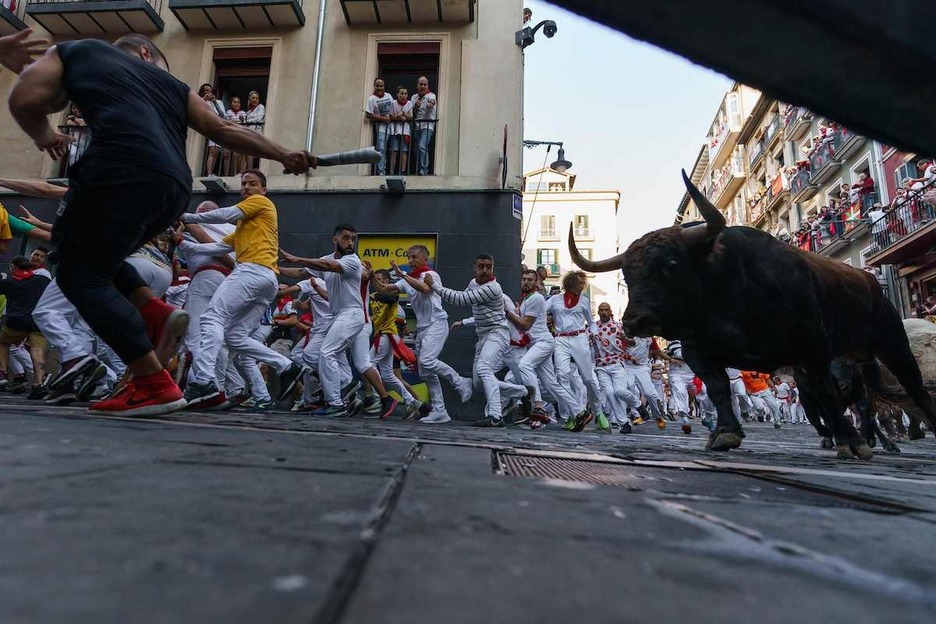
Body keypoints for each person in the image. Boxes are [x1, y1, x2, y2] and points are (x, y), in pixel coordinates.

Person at [8, 34, 315, 416]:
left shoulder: (76, 50)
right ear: (144, 53)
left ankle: (152, 383)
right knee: (100, 261)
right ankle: (155, 313)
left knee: (75, 274)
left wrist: (44, 135)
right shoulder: (175, 86)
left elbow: (24, 99)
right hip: (172, 189)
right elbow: (223, 130)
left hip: (118, 169)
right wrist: (283, 152)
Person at [178, 170, 310, 410]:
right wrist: (180, 242)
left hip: (251, 271)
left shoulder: (261, 202)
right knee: (235, 337)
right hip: (266, 281)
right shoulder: (244, 227)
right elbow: (215, 248)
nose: (246, 187)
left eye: (252, 184)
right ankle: (286, 365)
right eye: (243, 184)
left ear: (263, 189)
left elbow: (227, 213)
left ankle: (203, 380)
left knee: (211, 318)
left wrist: (185, 216)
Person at [279, 224, 401, 419]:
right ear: (335, 240)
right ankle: (346, 384)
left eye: (353, 238)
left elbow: (328, 267)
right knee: (312, 355)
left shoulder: (352, 260)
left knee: (327, 353)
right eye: (346, 238)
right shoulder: (326, 259)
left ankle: (336, 402)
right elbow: (302, 272)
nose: (350, 242)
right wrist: (273, 267)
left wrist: (298, 258)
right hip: (338, 317)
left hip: (352, 315)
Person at [424, 254, 532, 427]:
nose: (485, 270)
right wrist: (464, 321)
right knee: (479, 383)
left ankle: (496, 416)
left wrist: (434, 285)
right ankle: (523, 392)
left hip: (498, 333)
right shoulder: (474, 283)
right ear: (474, 267)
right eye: (481, 266)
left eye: (489, 266)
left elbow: (459, 299)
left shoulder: (493, 288)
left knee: (484, 368)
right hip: (483, 335)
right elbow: (472, 304)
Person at [370, 245, 472, 423]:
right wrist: (372, 276)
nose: (410, 261)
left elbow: (425, 289)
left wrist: (403, 275)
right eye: (409, 257)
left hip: (437, 324)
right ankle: (440, 410)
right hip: (423, 328)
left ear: (425, 259)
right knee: (425, 372)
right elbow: (385, 289)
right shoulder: (407, 280)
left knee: (427, 361)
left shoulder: (430, 275)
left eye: (414, 257)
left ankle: (460, 382)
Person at [506, 268, 578, 427]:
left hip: (543, 342)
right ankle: (579, 412)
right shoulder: (527, 299)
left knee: (525, 365)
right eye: (524, 279)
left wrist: (509, 314)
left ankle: (538, 406)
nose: (526, 282)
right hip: (538, 343)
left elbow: (525, 325)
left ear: (536, 282)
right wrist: (517, 313)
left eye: (530, 280)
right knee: (551, 384)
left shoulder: (536, 298)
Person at [545, 270, 609, 432]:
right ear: (571, 283)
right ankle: (571, 416)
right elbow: (540, 311)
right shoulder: (554, 300)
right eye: (580, 283)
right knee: (562, 376)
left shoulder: (584, 301)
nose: (583, 285)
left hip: (580, 338)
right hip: (560, 339)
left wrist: (595, 334)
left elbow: (591, 322)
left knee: (588, 379)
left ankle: (598, 411)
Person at [0, 256, 51, 395]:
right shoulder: (42, 280)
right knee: (37, 350)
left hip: (16, 323)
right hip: (37, 322)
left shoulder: (8, 282)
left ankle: (2, 373)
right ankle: (38, 383)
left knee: (3, 343)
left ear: (13, 267)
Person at [590, 302, 641, 433]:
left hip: (617, 364)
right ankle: (624, 423)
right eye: (601, 310)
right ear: (599, 311)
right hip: (601, 366)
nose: (604, 312)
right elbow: (586, 343)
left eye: (606, 310)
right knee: (609, 394)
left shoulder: (618, 326)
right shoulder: (593, 328)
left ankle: (638, 405)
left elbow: (632, 343)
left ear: (610, 311)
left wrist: (625, 338)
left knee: (619, 391)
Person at [365, 77, 393, 175]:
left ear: (384, 87)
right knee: (381, 148)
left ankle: (392, 171)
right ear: (374, 86)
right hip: (381, 127)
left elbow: (393, 110)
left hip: (393, 127)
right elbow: (368, 114)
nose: (379, 88)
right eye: (377, 86)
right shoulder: (371, 99)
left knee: (394, 149)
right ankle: (381, 172)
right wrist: (382, 118)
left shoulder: (389, 96)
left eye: (381, 86)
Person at [411, 76, 437, 175]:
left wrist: (430, 104)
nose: (423, 86)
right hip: (417, 126)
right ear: (417, 85)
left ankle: (424, 170)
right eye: (421, 84)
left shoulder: (431, 95)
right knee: (416, 149)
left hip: (427, 126)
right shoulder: (414, 97)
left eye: (425, 84)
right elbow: (412, 112)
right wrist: (416, 107)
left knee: (422, 146)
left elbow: (432, 102)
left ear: (427, 86)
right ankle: (418, 169)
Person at [198, 83, 226, 176]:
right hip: (206, 126)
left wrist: (215, 103)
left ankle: (210, 173)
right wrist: (204, 100)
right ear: (202, 92)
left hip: (216, 126)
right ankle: (208, 174)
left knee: (215, 151)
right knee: (212, 151)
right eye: (206, 90)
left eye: (210, 91)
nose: (209, 92)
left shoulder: (219, 102)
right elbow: (195, 107)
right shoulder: (200, 101)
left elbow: (222, 115)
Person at [387, 85, 413, 175]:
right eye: (402, 93)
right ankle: (391, 172)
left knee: (404, 151)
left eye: (405, 94)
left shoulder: (409, 103)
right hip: (394, 130)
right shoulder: (393, 103)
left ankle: (403, 171)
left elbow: (411, 117)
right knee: (394, 151)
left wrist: (405, 115)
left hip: (405, 131)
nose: (403, 96)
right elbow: (390, 116)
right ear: (397, 94)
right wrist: (397, 117)